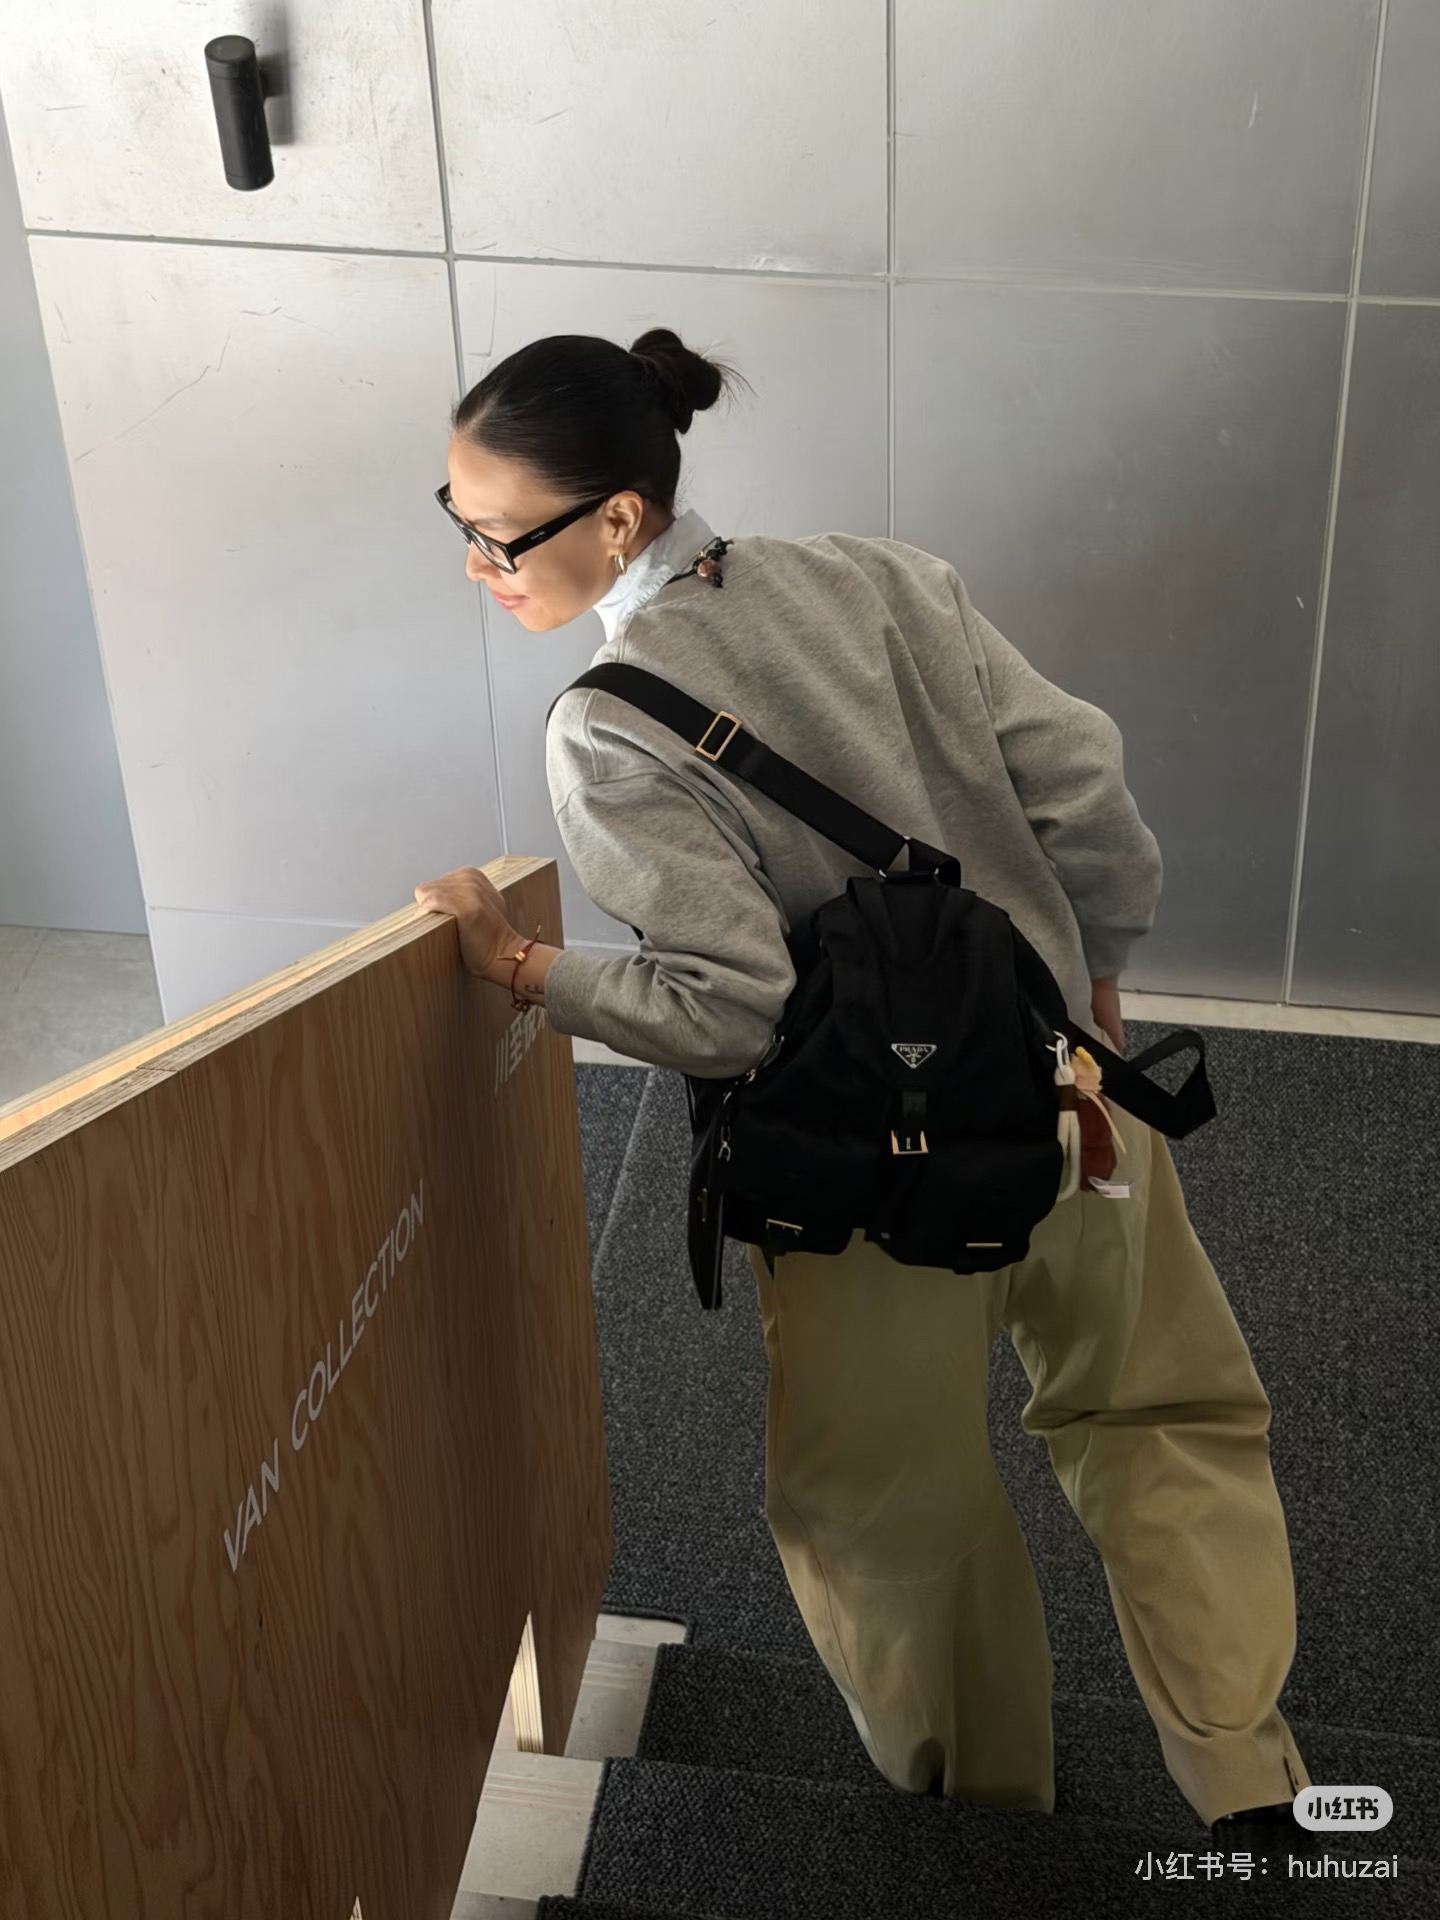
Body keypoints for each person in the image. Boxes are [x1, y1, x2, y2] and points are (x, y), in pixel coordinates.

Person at [412, 327, 1313, 1842]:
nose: (475, 565)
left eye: (497, 536)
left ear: (618, 518)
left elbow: (725, 1011)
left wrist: (522, 970)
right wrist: (1093, 975)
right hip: (1075, 1102)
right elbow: (1084, 780)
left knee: (886, 1509)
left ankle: (980, 1819)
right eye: (457, 522)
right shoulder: (885, 579)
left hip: (877, 1174)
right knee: (1162, 1416)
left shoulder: (611, 729)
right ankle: (1249, 1785)